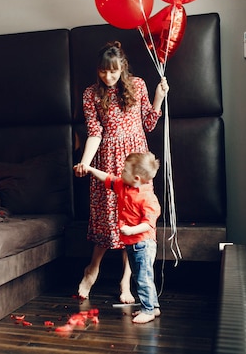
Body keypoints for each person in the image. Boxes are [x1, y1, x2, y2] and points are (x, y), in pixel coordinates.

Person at [73, 41, 168, 302]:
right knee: (108, 221)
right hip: (108, 158)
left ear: (122, 67)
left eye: (113, 71)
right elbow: (94, 132)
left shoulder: (137, 85)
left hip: (135, 160)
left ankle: (126, 281)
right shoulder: (91, 94)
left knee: (132, 220)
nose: (109, 76)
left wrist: (159, 98)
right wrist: (85, 162)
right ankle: (92, 270)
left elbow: (148, 124)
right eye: (104, 71)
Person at [82, 152, 162, 324]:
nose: (120, 172)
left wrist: (132, 231)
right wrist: (89, 169)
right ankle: (153, 307)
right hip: (132, 243)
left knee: (143, 277)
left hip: (144, 244)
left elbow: (149, 224)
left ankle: (148, 310)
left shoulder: (148, 198)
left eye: (124, 170)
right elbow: (107, 178)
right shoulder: (123, 185)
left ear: (136, 178)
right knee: (142, 276)